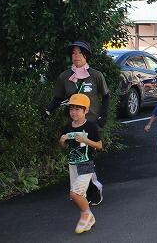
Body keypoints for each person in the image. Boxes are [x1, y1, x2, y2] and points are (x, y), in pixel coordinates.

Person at [45, 40, 109, 205]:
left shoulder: (96, 75)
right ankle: (83, 190)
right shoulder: (65, 77)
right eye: (73, 53)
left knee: (88, 158)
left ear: (86, 55)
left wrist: (103, 116)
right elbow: (57, 97)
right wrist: (47, 111)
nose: (76, 56)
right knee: (80, 158)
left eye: (80, 53)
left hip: (91, 123)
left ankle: (91, 191)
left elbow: (106, 96)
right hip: (74, 123)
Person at [59, 94, 102, 234]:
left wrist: (86, 140)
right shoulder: (67, 127)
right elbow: (65, 146)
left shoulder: (90, 126)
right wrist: (62, 141)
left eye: (78, 109)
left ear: (86, 110)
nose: (74, 112)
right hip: (73, 164)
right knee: (77, 195)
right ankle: (90, 217)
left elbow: (99, 145)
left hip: (86, 164)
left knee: (75, 193)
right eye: (71, 109)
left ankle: (86, 214)